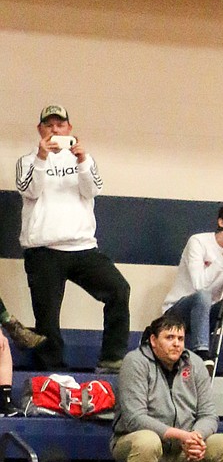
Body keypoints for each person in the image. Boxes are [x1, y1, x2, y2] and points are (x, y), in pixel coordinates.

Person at [16, 104, 131, 372]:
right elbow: (30, 191)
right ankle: (52, 370)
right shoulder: (27, 160)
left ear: (69, 128)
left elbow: (93, 190)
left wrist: (82, 160)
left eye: (60, 125)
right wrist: (43, 157)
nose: (55, 130)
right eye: (49, 125)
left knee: (118, 289)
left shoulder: (84, 159)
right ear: (40, 130)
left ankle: (112, 359)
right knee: (47, 316)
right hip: (43, 250)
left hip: (83, 248)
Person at [111, 313, 223, 462]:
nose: (176, 344)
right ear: (153, 341)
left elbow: (209, 414)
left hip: (184, 449)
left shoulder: (196, 364)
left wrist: (196, 437)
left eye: (180, 339)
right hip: (134, 444)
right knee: (147, 440)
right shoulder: (135, 361)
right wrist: (181, 435)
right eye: (169, 338)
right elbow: (134, 418)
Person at [163, 202, 223, 367]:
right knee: (203, 296)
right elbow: (199, 285)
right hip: (178, 311)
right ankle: (201, 352)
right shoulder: (198, 241)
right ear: (222, 222)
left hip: (209, 313)